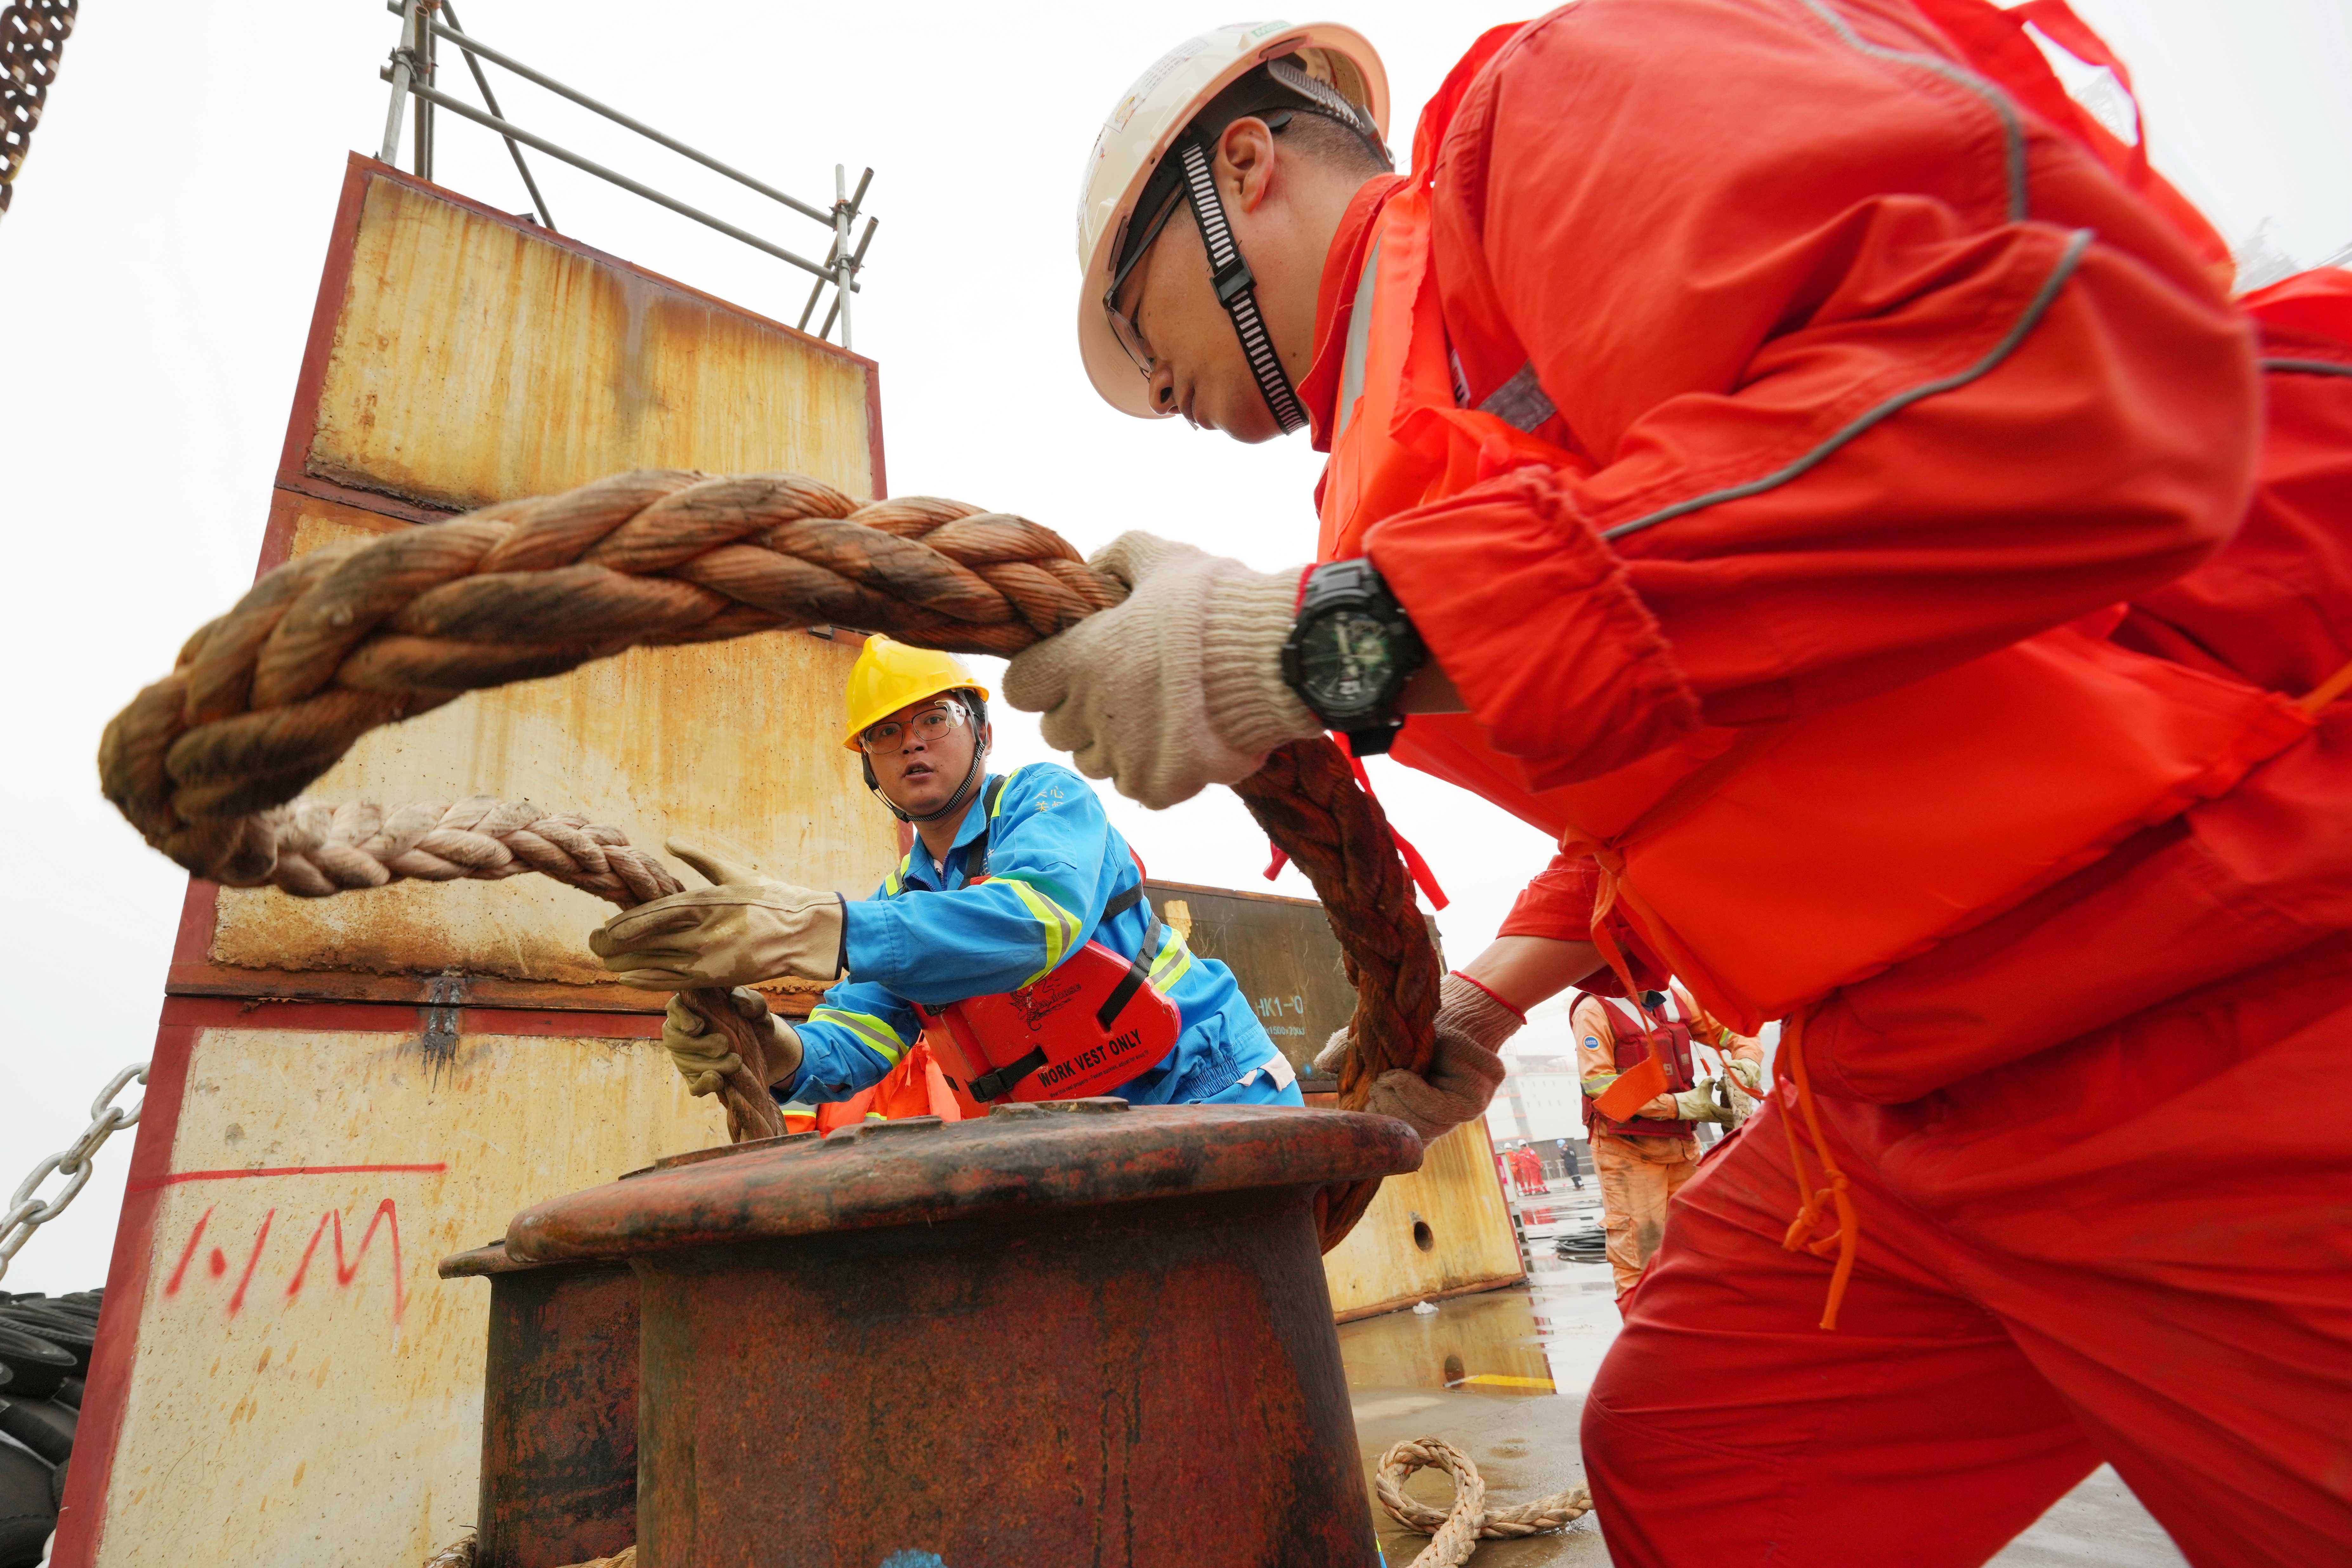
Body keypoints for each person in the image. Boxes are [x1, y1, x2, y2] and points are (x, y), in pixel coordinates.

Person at [1007, 8, 2352, 1565]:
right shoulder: (1388, 447)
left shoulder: (1539, 131)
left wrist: (1329, 647)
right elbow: (1697, 767)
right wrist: (1478, 1007)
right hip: (1895, 1094)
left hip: (2209, 1004)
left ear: (1244, 165)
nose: (1140, 376)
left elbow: (2087, 382)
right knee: (1701, 1457)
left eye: (1128, 300)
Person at [589, 637, 1304, 1115]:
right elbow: (854, 1040)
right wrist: (773, 1045)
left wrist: (821, 927)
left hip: (1211, 1088)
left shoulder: (1044, 801)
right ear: (869, 766)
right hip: (1078, 1130)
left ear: (982, 732)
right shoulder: (898, 904)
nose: (913, 743)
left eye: (935, 717)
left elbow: (1033, 919)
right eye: (884, 734)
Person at [1572, 984, 1764, 1301]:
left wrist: (1747, 1061)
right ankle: (1648, 1345)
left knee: (1697, 1245)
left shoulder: (1676, 999)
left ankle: (1695, 1330)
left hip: (1681, 1147)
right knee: (1639, 1256)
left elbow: (1737, 1033)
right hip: (1628, 1152)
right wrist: (1678, 1106)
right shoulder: (1594, 1011)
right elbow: (1600, 1087)